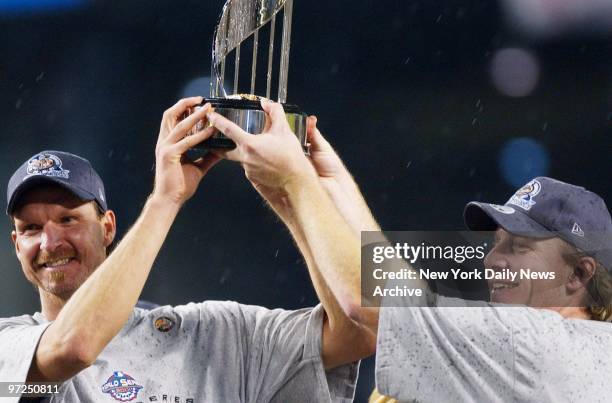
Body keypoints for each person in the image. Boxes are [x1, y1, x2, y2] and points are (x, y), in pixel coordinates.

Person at [0, 97, 375, 403]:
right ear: (17, 246)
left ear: (108, 227)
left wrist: (296, 192)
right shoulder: (8, 354)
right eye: (31, 228)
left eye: (68, 220)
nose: (50, 242)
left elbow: (363, 330)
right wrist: (166, 198)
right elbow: (74, 348)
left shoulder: (214, 335)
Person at [271, 152, 612, 402]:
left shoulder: (546, 350)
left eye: (519, 247)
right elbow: (395, 299)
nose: (492, 259)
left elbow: (369, 298)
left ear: (578, 275)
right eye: (496, 244)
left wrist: (295, 181)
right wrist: (325, 187)